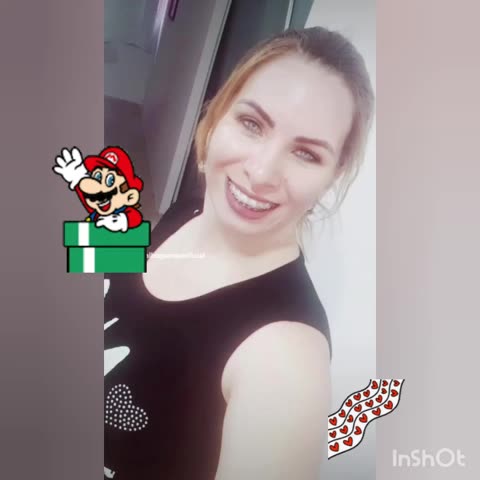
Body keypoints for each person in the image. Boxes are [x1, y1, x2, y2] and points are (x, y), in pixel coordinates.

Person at [104, 26, 374, 480]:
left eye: (306, 154)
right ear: (219, 112)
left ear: (334, 174)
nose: (261, 173)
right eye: (252, 124)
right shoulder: (191, 210)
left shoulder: (285, 361)